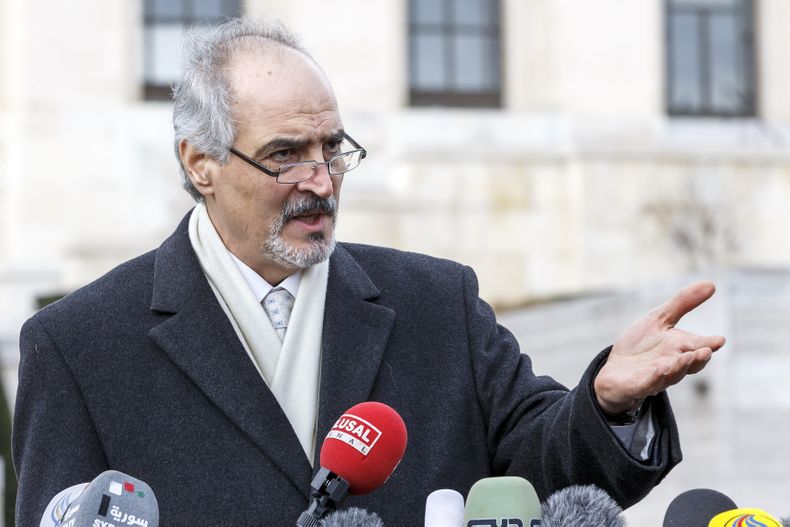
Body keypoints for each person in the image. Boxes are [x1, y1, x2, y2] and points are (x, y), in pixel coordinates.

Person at [12, 17, 725, 525]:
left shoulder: (438, 302)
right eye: (286, 153)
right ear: (199, 163)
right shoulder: (78, 347)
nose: (320, 180)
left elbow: (538, 470)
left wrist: (605, 402)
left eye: (333, 147)